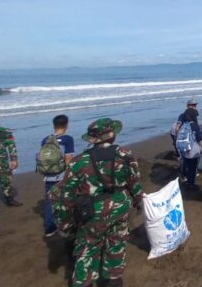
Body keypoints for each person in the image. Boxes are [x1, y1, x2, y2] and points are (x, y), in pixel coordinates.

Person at [55, 118, 143, 287]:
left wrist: (65, 223)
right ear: (112, 136)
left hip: (92, 212)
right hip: (120, 207)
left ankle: (84, 282)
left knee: (87, 251)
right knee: (116, 242)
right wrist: (139, 202)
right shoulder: (125, 154)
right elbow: (135, 183)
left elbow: (66, 196)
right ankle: (114, 279)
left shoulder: (79, 161)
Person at [38, 115, 75, 237]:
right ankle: (65, 226)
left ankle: (49, 229)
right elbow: (69, 159)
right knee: (64, 201)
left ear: (53, 126)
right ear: (67, 125)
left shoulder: (45, 139)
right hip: (62, 175)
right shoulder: (68, 139)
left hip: (48, 175)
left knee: (49, 201)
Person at [175, 100, 202, 189]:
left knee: (186, 163)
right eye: (193, 105)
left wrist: (178, 141)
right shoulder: (193, 123)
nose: (194, 107)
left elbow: (177, 129)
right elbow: (199, 138)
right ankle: (191, 183)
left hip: (184, 146)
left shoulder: (184, 123)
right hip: (192, 147)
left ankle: (185, 177)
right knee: (193, 167)